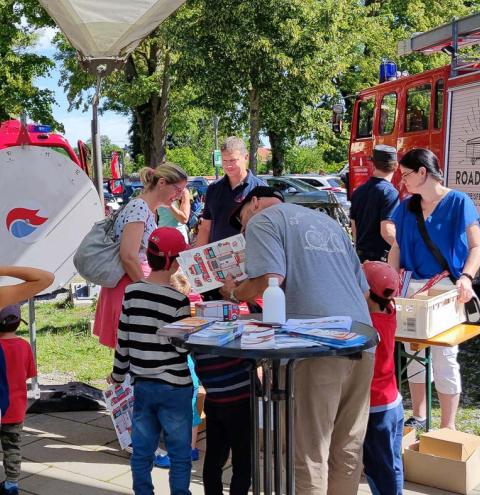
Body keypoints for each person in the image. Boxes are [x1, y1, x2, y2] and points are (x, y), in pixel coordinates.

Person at [221, 186, 375, 495]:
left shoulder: (262, 221)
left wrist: (235, 292)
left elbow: (268, 279)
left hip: (317, 346)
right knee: (347, 447)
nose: (243, 231)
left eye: (240, 224)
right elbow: (364, 292)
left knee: (309, 451)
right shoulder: (327, 222)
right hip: (361, 339)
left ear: (252, 204)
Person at [389, 148, 480, 430]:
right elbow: (397, 247)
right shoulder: (406, 206)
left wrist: (466, 277)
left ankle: (448, 426)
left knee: (445, 355)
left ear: (422, 172)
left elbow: (476, 246)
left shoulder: (458, 202)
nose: (402, 181)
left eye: (405, 175)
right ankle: (419, 416)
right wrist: (391, 283)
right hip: (411, 290)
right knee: (414, 353)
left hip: (445, 289)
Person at [108, 227, 193, 495]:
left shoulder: (132, 293)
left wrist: (118, 375)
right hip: (175, 387)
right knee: (180, 453)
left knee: (142, 451)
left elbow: (124, 339)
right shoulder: (179, 300)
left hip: (143, 384)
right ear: (172, 261)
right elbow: (181, 349)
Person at [93, 163, 188, 349]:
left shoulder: (144, 208)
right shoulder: (140, 208)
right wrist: (148, 293)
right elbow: (128, 256)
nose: (179, 195)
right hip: (130, 286)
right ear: (162, 183)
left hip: (132, 285)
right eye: (178, 190)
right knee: (134, 355)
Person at [0, 266, 53, 495]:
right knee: (12, 447)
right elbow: (29, 374)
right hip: (15, 409)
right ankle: (12, 484)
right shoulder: (23, 346)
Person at [362, 261, 403, 495]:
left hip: (376, 408)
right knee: (393, 465)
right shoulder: (390, 311)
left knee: (380, 470)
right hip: (393, 403)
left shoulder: (368, 325)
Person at [196, 136, 265, 248]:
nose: (228, 165)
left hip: (249, 257)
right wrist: (196, 259)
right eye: (224, 160)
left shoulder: (260, 188)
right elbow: (205, 228)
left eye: (233, 160)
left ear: (246, 157)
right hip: (218, 258)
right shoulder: (213, 188)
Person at [350, 144, 399, 262]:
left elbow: (354, 227)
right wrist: (406, 249)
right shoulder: (390, 192)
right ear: (396, 166)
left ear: (373, 165)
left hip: (361, 258)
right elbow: (387, 231)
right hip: (380, 261)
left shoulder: (358, 191)